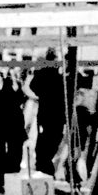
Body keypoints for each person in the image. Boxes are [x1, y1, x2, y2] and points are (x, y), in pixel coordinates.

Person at [28, 48, 67, 177]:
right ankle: (44, 165)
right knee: (53, 139)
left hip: (45, 113)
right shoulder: (60, 78)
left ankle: (42, 165)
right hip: (57, 114)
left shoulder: (42, 74)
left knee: (44, 139)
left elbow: (33, 87)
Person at [0, 65, 28, 185]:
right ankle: (4, 175)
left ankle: (5, 176)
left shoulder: (2, 80)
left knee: (7, 148)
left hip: (6, 118)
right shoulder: (13, 81)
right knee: (7, 148)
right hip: (7, 118)